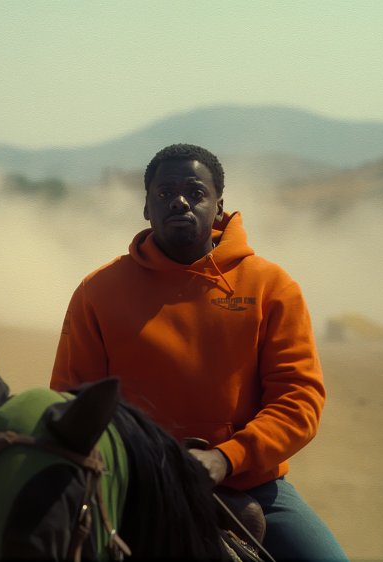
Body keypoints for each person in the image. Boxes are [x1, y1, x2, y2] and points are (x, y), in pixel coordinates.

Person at [50, 143, 347, 561]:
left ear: (219, 205)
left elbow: (300, 400)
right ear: (146, 206)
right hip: (129, 487)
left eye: (195, 191)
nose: (180, 201)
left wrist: (224, 460)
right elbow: (72, 399)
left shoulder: (270, 286)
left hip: (248, 485)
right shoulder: (97, 292)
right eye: (164, 192)